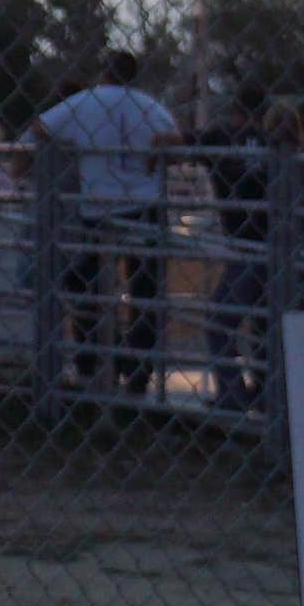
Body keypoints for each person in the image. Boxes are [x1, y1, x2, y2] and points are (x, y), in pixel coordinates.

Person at [26, 61, 178, 394]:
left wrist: (76, 148)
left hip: (98, 206)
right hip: (145, 205)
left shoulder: (86, 101)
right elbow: (175, 141)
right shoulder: (149, 105)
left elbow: (41, 127)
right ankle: (138, 370)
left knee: (88, 286)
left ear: (103, 73)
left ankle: (95, 359)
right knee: (146, 292)